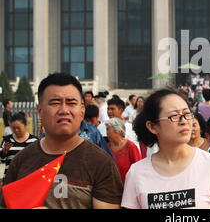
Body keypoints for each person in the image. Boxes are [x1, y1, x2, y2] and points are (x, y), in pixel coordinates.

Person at [0, 73, 123, 209]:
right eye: (55, 103)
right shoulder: (21, 161)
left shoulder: (101, 163)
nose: (64, 110)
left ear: (82, 111)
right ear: (40, 110)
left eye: (71, 103)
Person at [121, 89, 210, 209]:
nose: (184, 121)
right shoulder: (137, 173)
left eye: (187, 114)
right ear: (153, 126)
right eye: (174, 116)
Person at [105, 118, 141, 183]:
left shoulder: (131, 147)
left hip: (128, 186)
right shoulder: (107, 147)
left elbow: (138, 169)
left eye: (108, 130)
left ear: (117, 130)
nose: (106, 133)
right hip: (111, 187)